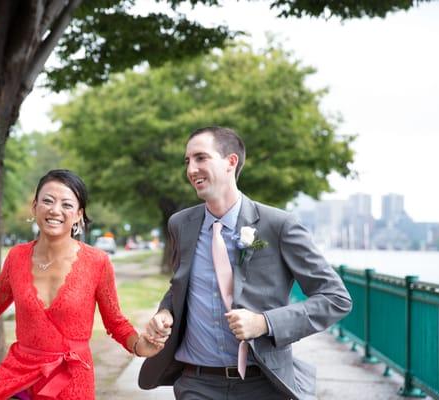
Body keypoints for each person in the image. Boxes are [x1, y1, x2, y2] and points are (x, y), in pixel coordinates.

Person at [138, 127, 352, 400]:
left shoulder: (279, 225)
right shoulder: (181, 224)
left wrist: (265, 323)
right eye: (187, 161)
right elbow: (180, 284)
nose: (192, 169)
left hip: (262, 383)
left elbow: (336, 298)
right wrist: (165, 311)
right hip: (196, 383)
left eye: (201, 158)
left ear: (231, 162)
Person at [0, 169, 163, 400]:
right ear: (35, 207)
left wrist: (140, 347)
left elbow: (115, 322)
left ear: (79, 214)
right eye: (48, 201)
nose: (55, 210)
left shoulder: (97, 262)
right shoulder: (16, 257)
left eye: (67, 204)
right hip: (20, 378)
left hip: (72, 380)